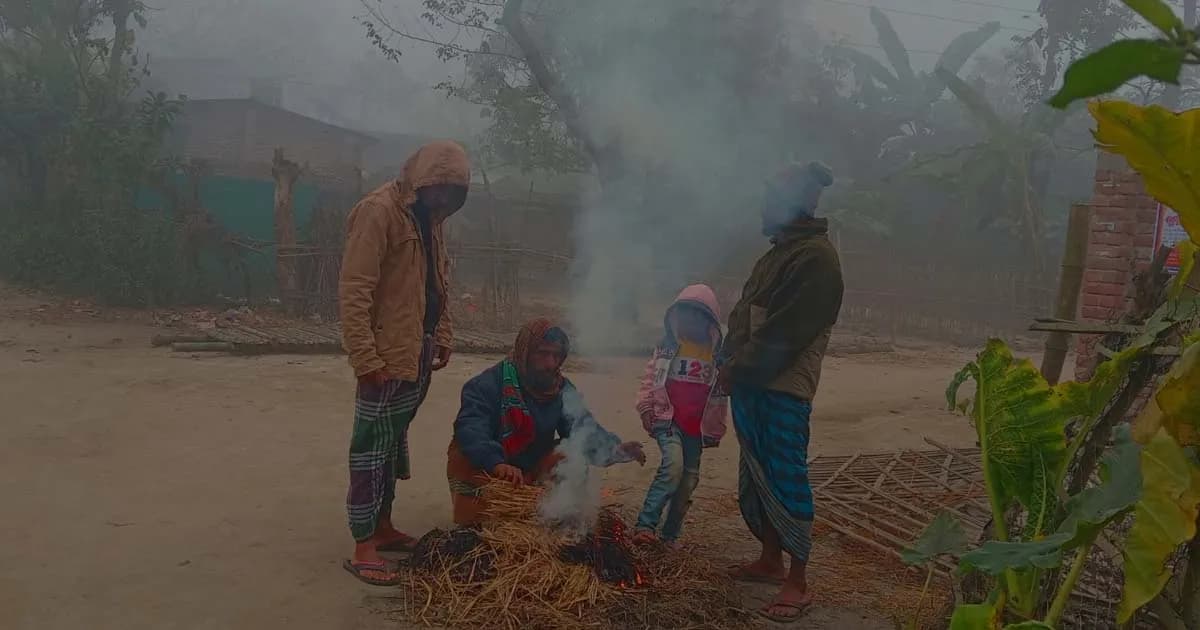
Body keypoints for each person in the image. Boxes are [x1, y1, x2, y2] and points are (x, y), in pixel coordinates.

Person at [338, 140, 470, 586]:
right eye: (439, 189)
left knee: (391, 444)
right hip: (385, 354)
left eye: (454, 193)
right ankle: (363, 544)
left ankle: (383, 526)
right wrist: (364, 357)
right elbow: (355, 290)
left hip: (418, 350)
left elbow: (439, 280)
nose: (445, 200)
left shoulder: (429, 220)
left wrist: (443, 335)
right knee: (370, 449)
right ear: (421, 180)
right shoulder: (378, 211)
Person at [722, 161, 843, 622]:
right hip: (754, 379)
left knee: (786, 473)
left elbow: (784, 333)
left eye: (771, 200)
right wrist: (728, 360)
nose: (763, 209)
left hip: (782, 385)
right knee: (759, 473)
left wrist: (738, 366)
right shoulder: (779, 253)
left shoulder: (816, 259)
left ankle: (798, 580)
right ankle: (771, 560)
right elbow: (748, 316)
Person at [447, 318, 646, 525]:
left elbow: (582, 428)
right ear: (525, 352)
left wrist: (613, 449)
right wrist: (497, 463)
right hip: (491, 472)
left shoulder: (560, 388)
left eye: (556, 355)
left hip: (531, 472)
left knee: (569, 453)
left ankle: (551, 517)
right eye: (542, 353)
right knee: (462, 454)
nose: (550, 363)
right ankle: (474, 521)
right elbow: (471, 428)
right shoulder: (486, 385)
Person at [631, 284, 728, 548]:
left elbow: (723, 394)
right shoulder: (667, 348)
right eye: (685, 314)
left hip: (697, 428)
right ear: (675, 317)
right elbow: (650, 380)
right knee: (672, 467)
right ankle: (645, 525)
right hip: (668, 419)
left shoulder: (717, 355)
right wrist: (645, 408)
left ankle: (670, 535)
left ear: (710, 322)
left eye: (699, 316)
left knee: (688, 482)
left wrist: (716, 428)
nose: (691, 320)